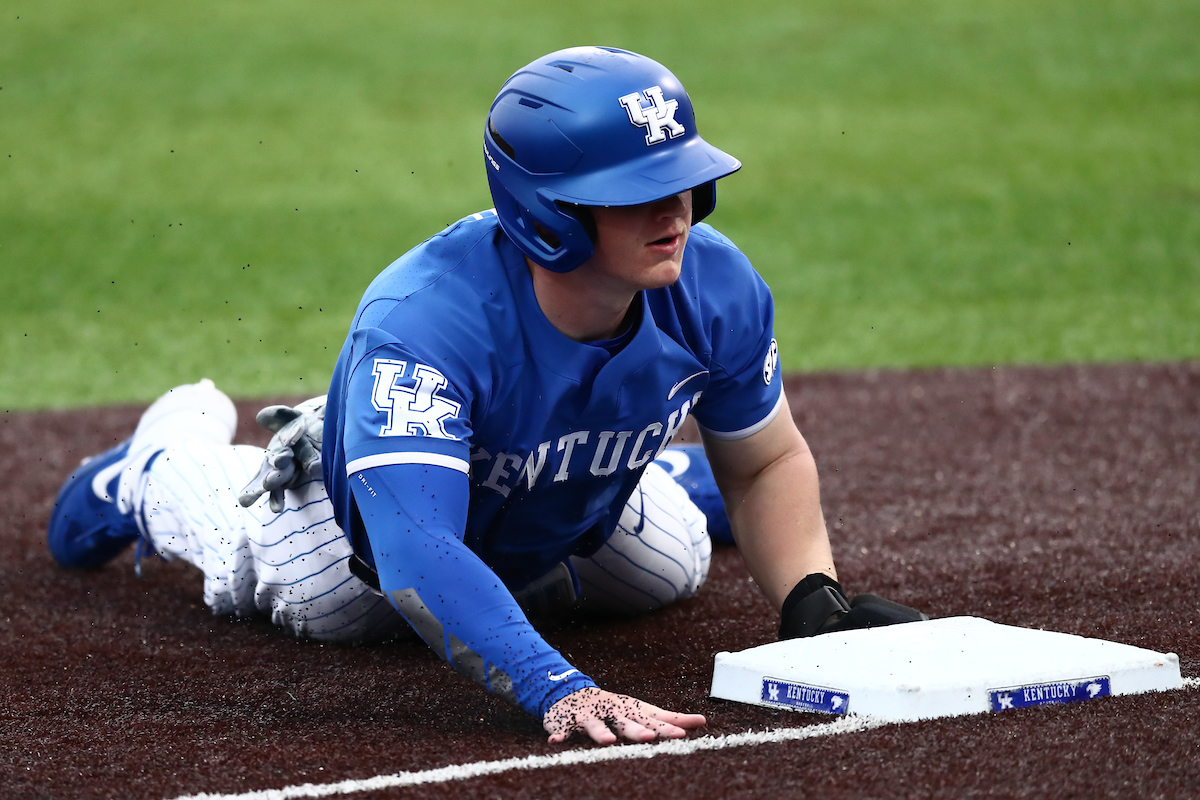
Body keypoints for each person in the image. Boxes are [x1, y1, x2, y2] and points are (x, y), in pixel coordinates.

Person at [47, 46, 924, 746]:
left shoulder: (717, 287)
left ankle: (652, 479)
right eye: (638, 194)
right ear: (548, 213)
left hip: (562, 507)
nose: (679, 211)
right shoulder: (425, 324)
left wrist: (812, 598)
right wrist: (555, 685)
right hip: (365, 541)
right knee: (297, 595)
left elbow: (765, 458)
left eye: (684, 180)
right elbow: (418, 551)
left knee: (670, 568)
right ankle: (160, 463)